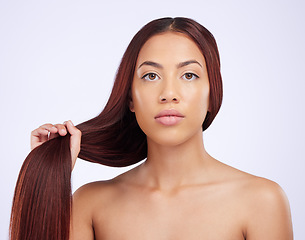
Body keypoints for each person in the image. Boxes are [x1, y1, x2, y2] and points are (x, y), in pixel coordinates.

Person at [10, 17, 293, 240]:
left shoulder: (261, 201)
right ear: (131, 98)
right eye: (151, 75)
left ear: (212, 94)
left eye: (189, 75)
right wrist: (47, 177)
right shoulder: (91, 204)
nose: (169, 93)